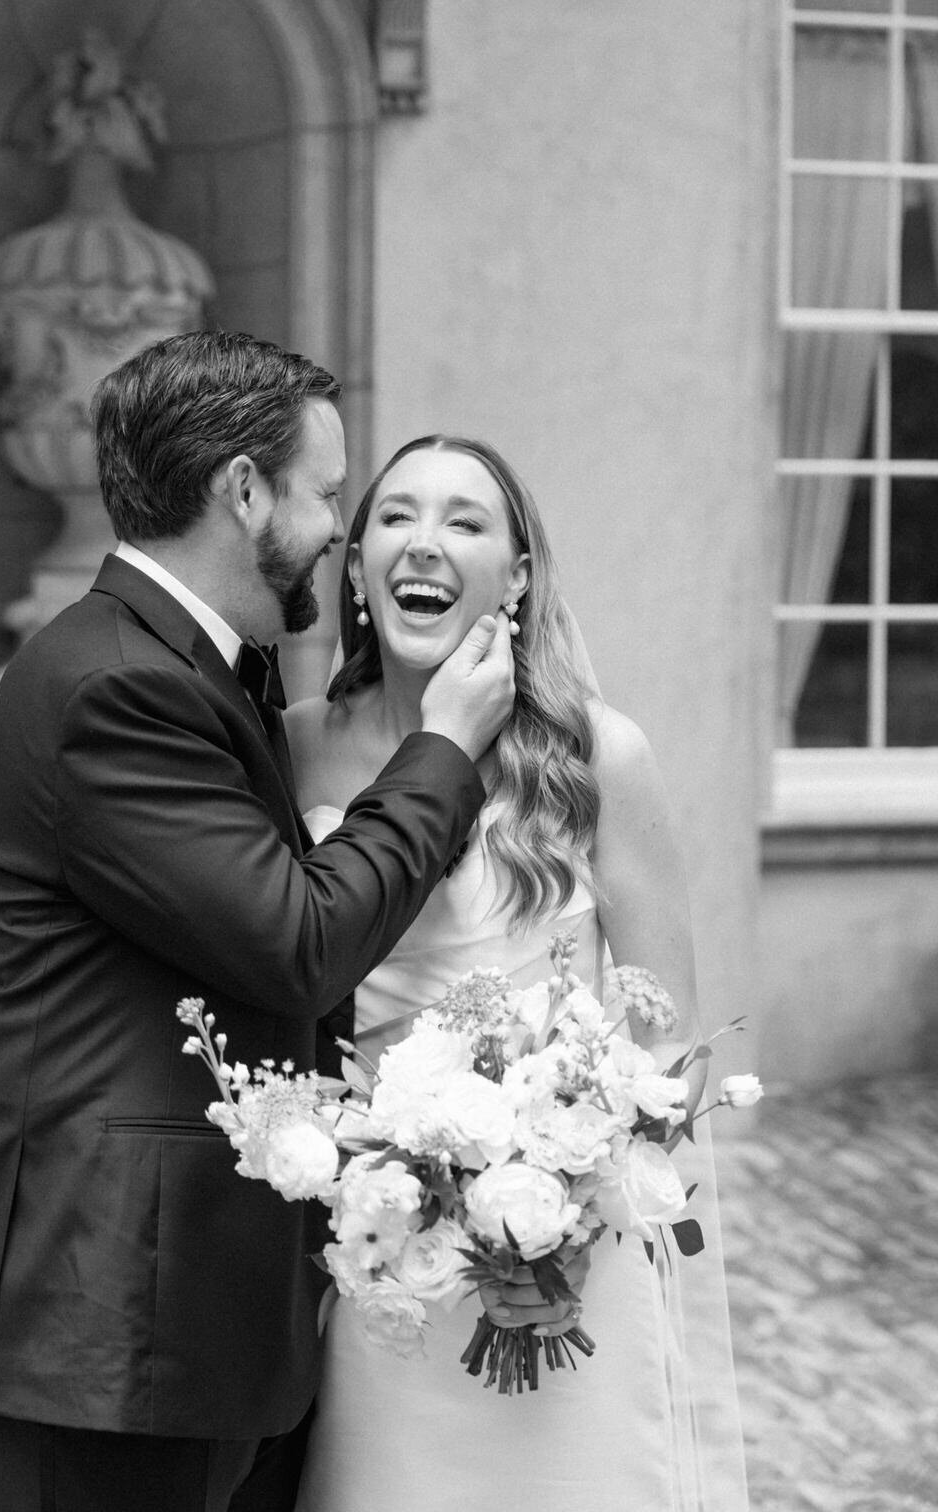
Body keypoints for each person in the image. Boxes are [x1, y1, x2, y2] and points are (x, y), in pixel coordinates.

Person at [0, 334, 519, 1512]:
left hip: (197, 1337)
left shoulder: (199, 667)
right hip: (101, 1349)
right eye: (331, 496)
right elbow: (296, 945)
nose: (340, 534)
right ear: (245, 491)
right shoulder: (116, 685)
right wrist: (443, 749)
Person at [284, 435, 751, 1512]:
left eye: (465, 520)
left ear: (520, 573)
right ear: (356, 567)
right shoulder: (293, 747)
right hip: (376, 1262)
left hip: (560, 1266)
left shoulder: (599, 755)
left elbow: (665, 1051)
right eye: (395, 517)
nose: (424, 543)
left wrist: (569, 1228)